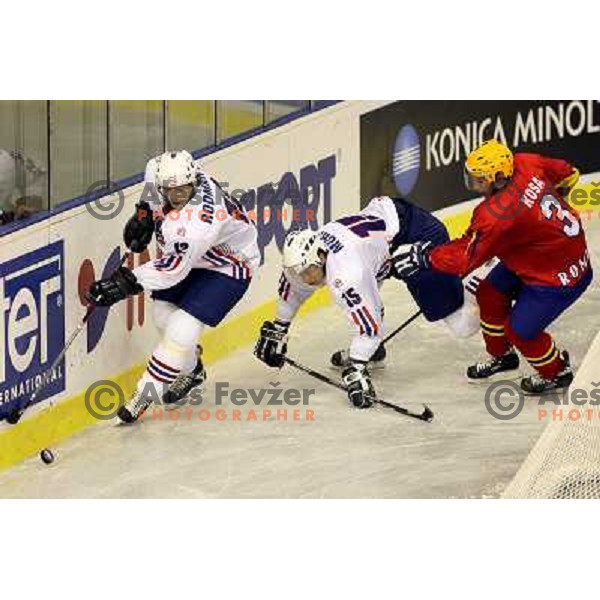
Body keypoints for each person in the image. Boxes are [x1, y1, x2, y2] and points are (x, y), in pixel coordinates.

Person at [392, 139, 593, 394]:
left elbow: (465, 257)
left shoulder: (496, 215)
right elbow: (569, 173)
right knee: (489, 293)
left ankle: (556, 371)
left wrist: (426, 256)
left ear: (499, 177)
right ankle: (503, 356)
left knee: (521, 331)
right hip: (546, 253)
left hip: (557, 278)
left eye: (479, 179)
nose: (474, 184)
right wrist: (538, 219)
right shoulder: (524, 162)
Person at [253, 195, 486, 410]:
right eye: (299, 273)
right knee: (368, 302)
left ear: (321, 257)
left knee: (463, 326)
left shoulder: (346, 274)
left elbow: (370, 328)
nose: (304, 278)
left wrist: (356, 368)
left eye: (307, 272)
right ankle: (371, 353)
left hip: (415, 236)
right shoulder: (309, 257)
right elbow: (293, 290)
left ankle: (486, 279)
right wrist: (279, 328)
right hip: (382, 242)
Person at [87, 150, 260, 422]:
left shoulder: (200, 223)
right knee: (162, 317)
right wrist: (144, 213)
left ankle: (145, 393)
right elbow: (151, 168)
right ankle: (192, 370)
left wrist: (124, 283)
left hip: (229, 265)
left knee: (182, 327)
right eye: (172, 191)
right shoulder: (166, 172)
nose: (179, 196)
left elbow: (172, 271)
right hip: (195, 258)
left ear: (194, 182)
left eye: (184, 190)